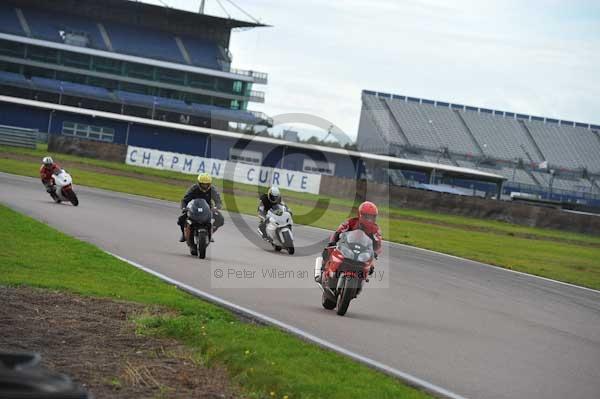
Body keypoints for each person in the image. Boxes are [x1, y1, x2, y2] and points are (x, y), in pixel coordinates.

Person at [317, 201, 382, 281]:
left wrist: (375, 253)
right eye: (366, 217)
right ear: (360, 215)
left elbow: (378, 244)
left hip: (363, 252)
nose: (369, 220)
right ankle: (322, 272)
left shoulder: (375, 229)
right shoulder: (351, 222)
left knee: (371, 268)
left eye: (371, 217)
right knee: (328, 250)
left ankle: (360, 280)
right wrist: (333, 242)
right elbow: (338, 232)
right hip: (347, 246)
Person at [178, 173, 224, 242]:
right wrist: (184, 208)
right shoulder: (194, 188)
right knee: (181, 218)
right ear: (199, 183)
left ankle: (210, 233)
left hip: (208, 209)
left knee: (220, 219)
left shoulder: (212, 190)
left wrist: (216, 207)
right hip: (193, 208)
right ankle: (184, 234)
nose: (204, 186)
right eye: (203, 184)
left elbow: (219, 201)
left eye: (206, 184)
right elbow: (184, 200)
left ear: (209, 184)